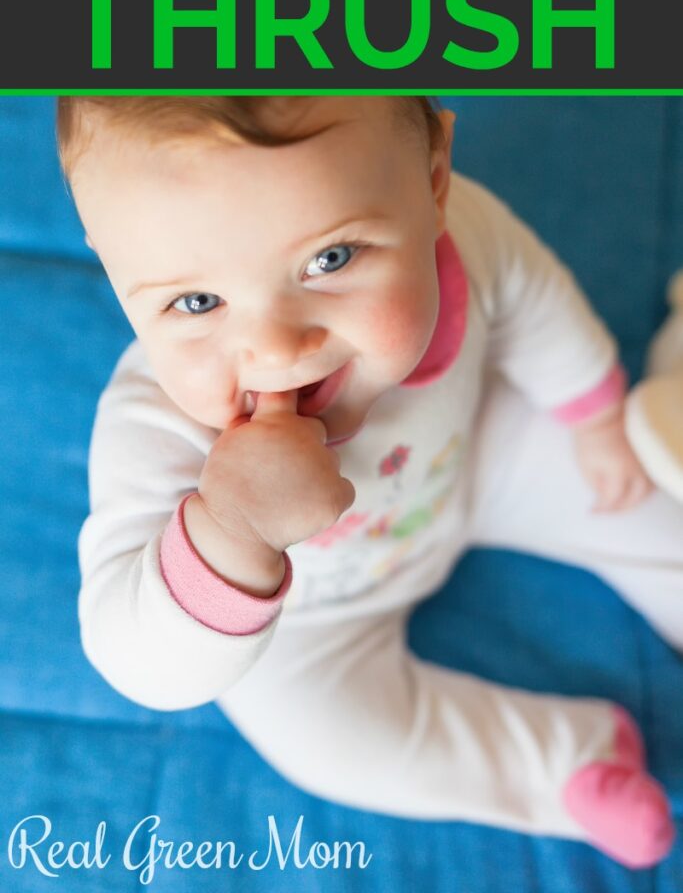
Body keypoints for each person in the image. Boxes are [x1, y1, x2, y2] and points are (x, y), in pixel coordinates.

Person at [60, 95, 681, 869]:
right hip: (309, 624)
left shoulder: (469, 237)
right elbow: (139, 663)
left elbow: (533, 301)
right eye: (197, 301)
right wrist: (233, 532)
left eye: (330, 259)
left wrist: (589, 410)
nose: (278, 348)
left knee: (644, 493)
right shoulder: (155, 427)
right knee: (327, 740)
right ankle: (559, 766)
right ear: (113, 262)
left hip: (472, 461)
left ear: (432, 180)